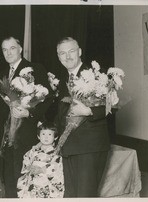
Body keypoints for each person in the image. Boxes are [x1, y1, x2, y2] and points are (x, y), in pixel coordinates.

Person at [0, 36, 52, 198]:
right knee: (7, 175)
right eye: (4, 49)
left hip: (26, 132)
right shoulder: (2, 74)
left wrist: (29, 113)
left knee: (24, 176)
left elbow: (48, 98)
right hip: (5, 134)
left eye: (12, 48)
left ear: (20, 49)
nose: (8, 53)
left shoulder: (35, 68)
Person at [55, 37, 110, 197]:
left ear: (79, 52)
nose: (67, 56)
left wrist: (89, 112)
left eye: (71, 51)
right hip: (68, 147)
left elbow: (112, 106)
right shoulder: (63, 80)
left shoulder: (96, 74)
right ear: (59, 57)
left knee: (85, 196)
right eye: (62, 53)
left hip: (89, 147)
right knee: (71, 195)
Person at [17, 122, 64, 198]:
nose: (46, 137)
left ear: (55, 137)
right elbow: (26, 159)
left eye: (49, 134)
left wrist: (42, 169)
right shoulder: (33, 151)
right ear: (38, 136)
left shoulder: (56, 154)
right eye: (43, 134)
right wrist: (29, 167)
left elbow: (56, 167)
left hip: (46, 183)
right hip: (33, 181)